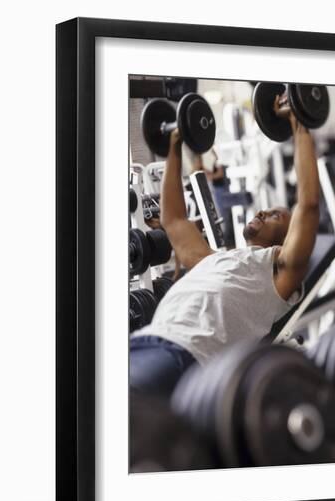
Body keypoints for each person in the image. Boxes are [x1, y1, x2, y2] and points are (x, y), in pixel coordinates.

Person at [130, 95, 320, 396]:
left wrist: (299, 122)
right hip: (148, 338)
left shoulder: (278, 275)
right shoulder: (212, 259)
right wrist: (174, 145)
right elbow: (175, 220)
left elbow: (308, 204)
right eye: (265, 209)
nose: (261, 212)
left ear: (288, 238)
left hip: (184, 355)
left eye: (274, 216)